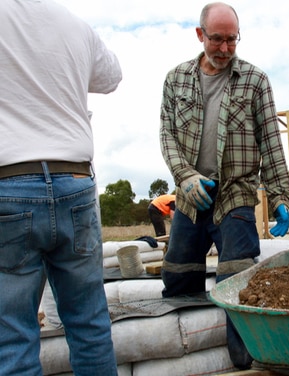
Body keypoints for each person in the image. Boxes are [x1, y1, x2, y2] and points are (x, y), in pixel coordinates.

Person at [159, 2, 289, 369]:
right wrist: (185, 178)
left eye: (231, 40)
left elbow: (271, 142)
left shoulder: (255, 80)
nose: (224, 49)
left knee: (239, 280)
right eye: (217, 39)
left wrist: (280, 194)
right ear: (200, 34)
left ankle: (244, 364)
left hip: (235, 192)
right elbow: (166, 136)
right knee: (178, 277)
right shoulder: (177, 79)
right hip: (191, 197)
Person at [0, 1, 122, 375]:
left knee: (13, 333)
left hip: (10, 181)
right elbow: (111, 77)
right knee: (88, 320)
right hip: (75, 182)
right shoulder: (74, 25)